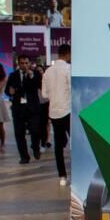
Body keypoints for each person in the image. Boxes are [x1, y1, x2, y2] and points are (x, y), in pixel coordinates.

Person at [42, 44, 72, 186]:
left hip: (54, 111)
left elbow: (44, 94)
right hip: (68, 110)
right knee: (75, 143)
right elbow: (72, 88)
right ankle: (77, 172)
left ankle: (62, 176)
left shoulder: (47, 72)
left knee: (58, 145)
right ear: (68, 54)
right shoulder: (68, 69)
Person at [6, 55, 44, 164]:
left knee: (35, 130)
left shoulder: (35, 74)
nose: (24, 65)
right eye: (22, 63)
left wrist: (31, 76)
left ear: (30, 63)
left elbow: (39, 85)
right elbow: (7, 90)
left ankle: (35, 147)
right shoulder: (13, 75)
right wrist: (10, 92)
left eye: (26, 63)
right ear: (18, 64)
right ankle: (24, 156)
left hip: (32, 107)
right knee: (19, 133)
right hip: (18, 108)